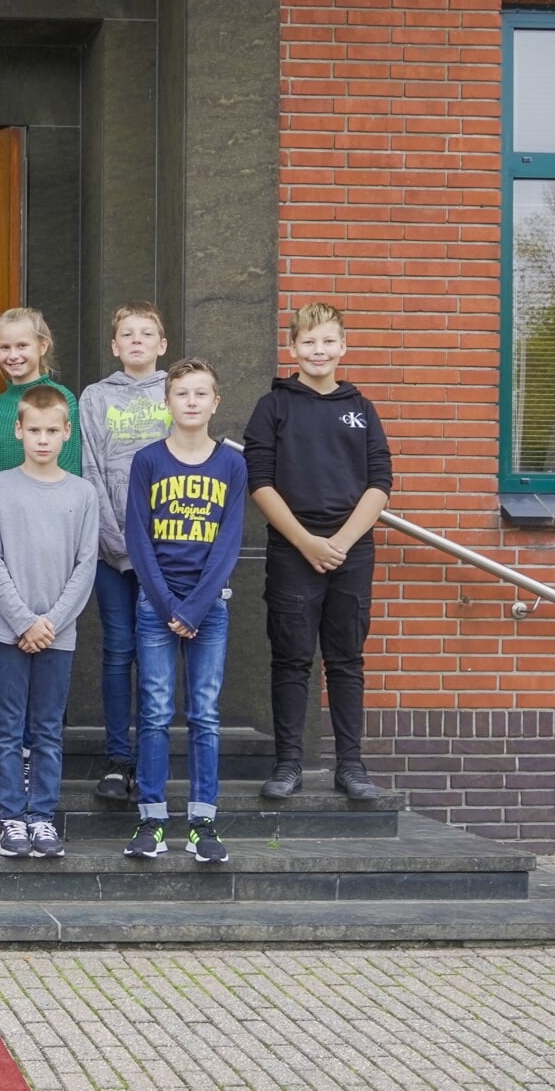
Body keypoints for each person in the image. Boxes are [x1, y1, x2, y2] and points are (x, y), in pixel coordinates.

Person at [245, 302, 393, 802]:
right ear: (292, 348)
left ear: (343, 347)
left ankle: (351, 766)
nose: (318, 351)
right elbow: (259, 481)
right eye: (308, 342)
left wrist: (342, 543)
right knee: (291, 659)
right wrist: (306, 542)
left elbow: (380, 484)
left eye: (328, 341)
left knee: (346, 659)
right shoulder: (274, 406)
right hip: (293, 551)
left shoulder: (361, 408)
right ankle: (288, 764)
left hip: (352, 551)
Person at [122, 357, 245, 864]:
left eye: (201, 394)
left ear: (215, 403)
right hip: (156, 604)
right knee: (153, 712)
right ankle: (151, 820)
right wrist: (169, 604)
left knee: (205, 715)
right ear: (166, 402)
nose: (191, 402)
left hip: (209, 607)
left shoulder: (232, 464)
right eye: (182, 394)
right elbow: (138, 537)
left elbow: (229, 542)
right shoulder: (148, 461)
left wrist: (194, 608)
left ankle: (202, 821)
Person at [0, 386, 98, 859]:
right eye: (34, 431)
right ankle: (10, 816)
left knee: (47, 729)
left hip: (58, 634)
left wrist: (49, 623)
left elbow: (85, 565)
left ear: (67, 433)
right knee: (8, 728)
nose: (43, 440)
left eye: (52, 431)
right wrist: (25, 621)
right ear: (18, 431)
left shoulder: (82, 492)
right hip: (6, 630)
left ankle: (42, 817)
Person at [79, 302, 171, 804]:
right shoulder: (94, 397)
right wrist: (116, 541)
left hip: (166, 551)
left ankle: (153, 758)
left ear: (162, 344)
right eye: (127, 334)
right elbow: (90, 468)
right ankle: (118, 758)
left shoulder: (175, 392)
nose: (137, 340)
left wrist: (159, 546)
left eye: (147, 333)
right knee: (119, 649)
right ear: (115, 346)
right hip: (111, 550)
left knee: (157, 651)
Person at [0, 308, 82, 512]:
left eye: (22, 346)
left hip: (53, 521)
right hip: (5, 525)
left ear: (42, 346)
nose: (13, 355)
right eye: (5, 347)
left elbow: (71, 467)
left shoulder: (64, 399)